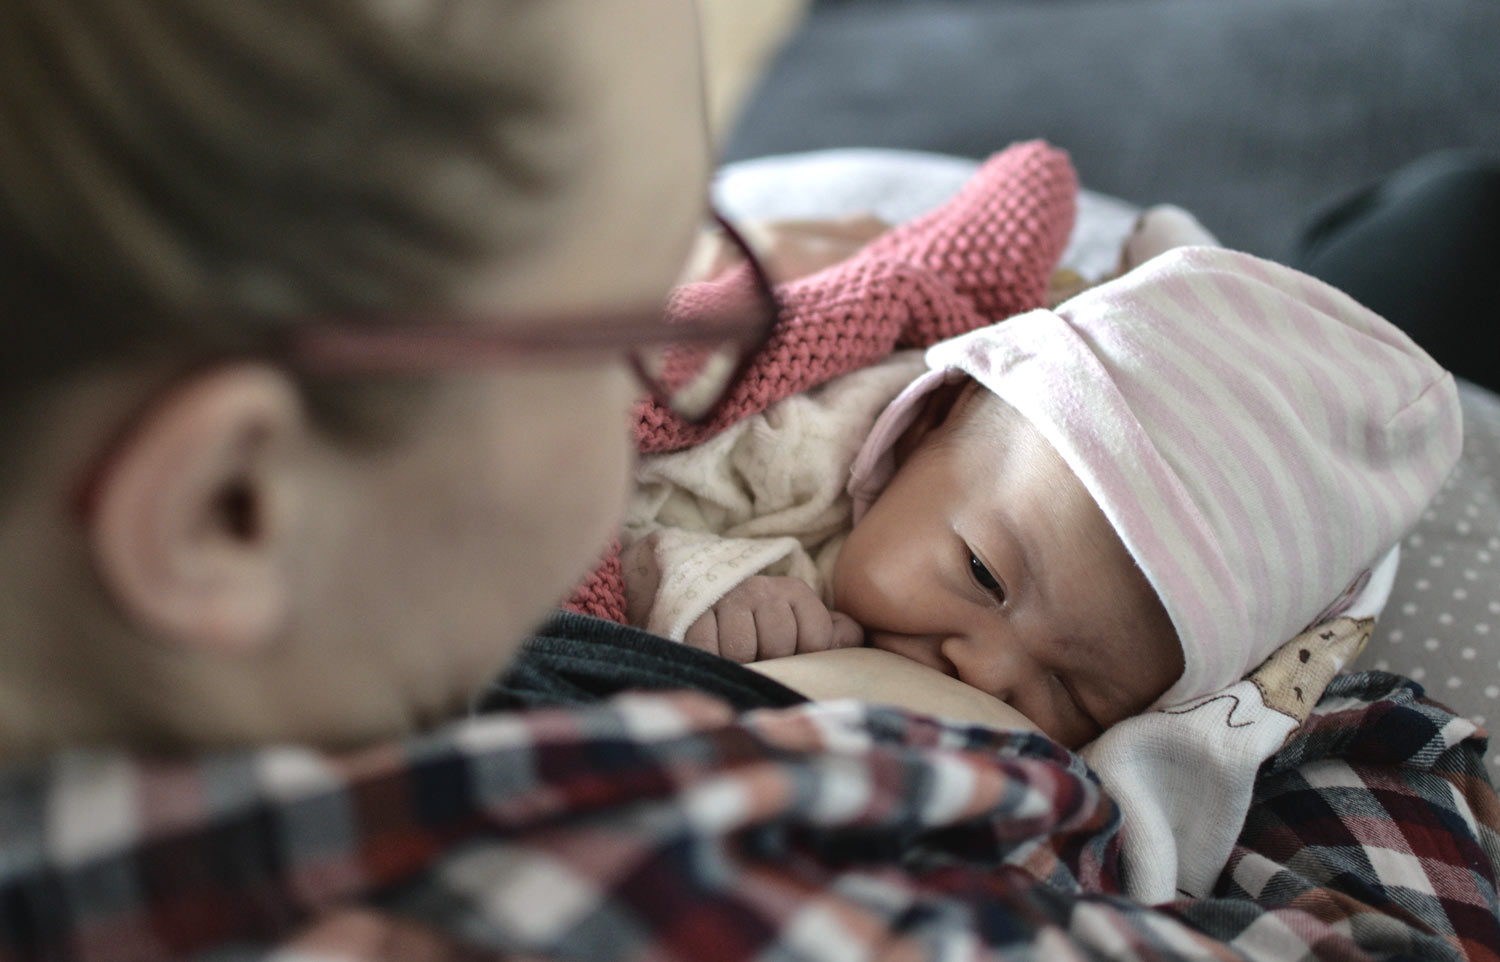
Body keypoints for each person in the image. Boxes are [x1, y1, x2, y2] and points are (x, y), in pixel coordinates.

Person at [1, 3, 1496, 962]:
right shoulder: (647, 887)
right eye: (641, 320)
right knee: (1449, 233)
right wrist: (1320, 734)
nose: (719, 365)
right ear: (232, 509)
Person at [618, 182, 1461, 751]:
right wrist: (704, 581)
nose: (989, 672)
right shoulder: (794, 446)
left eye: (1074, 691)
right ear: (925, 427)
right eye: (983, 573)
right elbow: (601, 493)